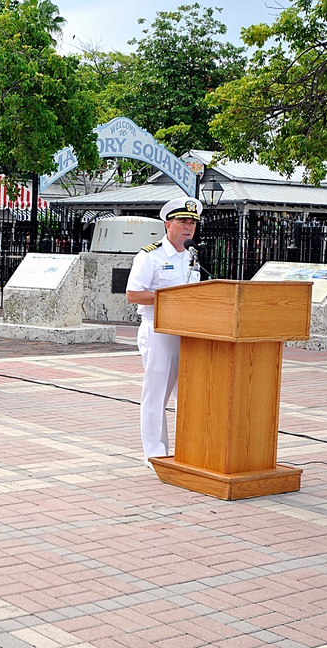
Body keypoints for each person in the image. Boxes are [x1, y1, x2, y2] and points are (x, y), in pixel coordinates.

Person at [125, 197, 203, 468]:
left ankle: (188, 448)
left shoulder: (192, 256)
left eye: (192, 222)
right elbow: (133, 294)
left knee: (189, 394)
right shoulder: (151, 255)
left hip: (187, 332)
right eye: (182, 222)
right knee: (156, 394)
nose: (188, 227)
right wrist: (169, 299)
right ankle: (155, 452)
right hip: (158, 330)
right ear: (168, 224)